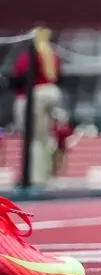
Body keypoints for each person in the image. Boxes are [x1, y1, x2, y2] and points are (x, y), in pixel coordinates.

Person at [9, 27, 62, 186]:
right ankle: (43, 175)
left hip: (34, 95)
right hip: (51, 93)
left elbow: (22, 78)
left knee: (33, 139)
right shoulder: (52, 55)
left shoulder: (30, 56)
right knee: (44, 138)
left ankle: (33, 177)